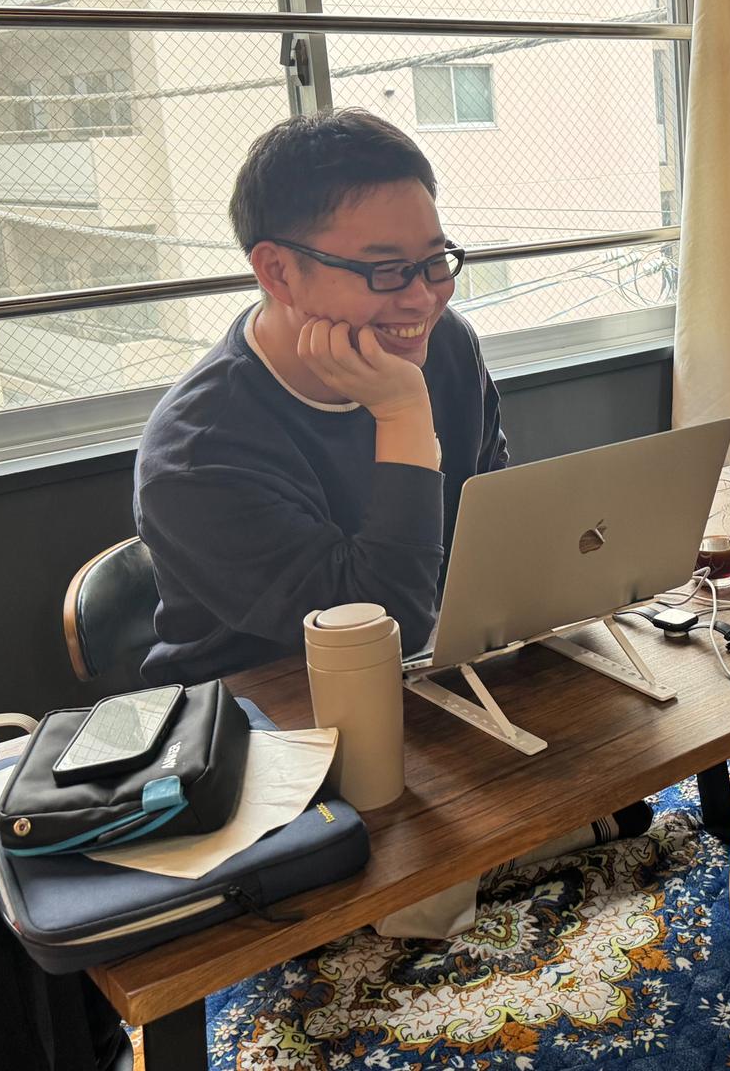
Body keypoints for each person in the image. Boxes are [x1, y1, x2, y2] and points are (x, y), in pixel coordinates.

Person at [134, 109, 650, 873]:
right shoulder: (197, 453)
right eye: (385, 271)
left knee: (633, 740)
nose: (422, 299)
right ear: (277, 271)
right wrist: (404, 417)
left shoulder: (447, 345)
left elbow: (490, 527)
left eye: (436, 261)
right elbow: (385, 628)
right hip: (265, 731)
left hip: (428, 675)